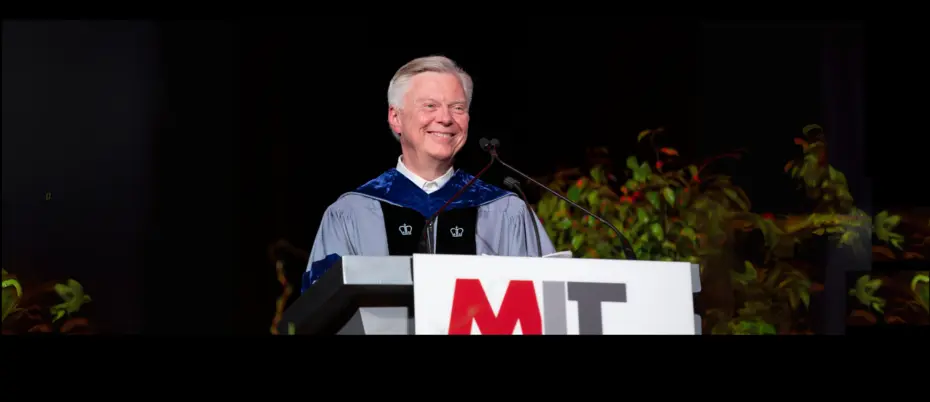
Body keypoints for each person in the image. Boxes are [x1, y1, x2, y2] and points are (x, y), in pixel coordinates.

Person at [302, 55, 555, 293]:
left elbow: (548, 305)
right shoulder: (351, 214)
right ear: (395, 118)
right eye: (430, 105)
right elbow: (320, 312)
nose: (445, 118)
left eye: (457, 107)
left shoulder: (506, 212)